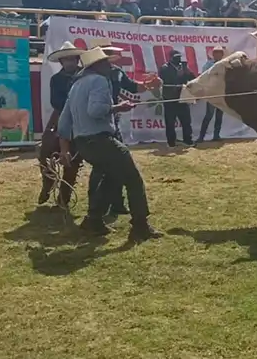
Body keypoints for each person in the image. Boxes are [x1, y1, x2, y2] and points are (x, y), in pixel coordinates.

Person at [57, 47, 162, 241]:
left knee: (111, 177)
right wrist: (118, 107)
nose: (110, 65)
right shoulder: (99, 80)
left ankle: (93, 221)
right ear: (97, 65)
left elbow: (64, 122)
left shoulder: (76, 86)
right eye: (106, 62)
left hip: (83, 143)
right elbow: (96, 111)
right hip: (100, 140)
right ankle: (140, 226)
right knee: (133, 179)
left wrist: (64, 149)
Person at [38, 41, 84, 206]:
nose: (70, 62)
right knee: (45, 152)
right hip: (61, 116)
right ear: (61, 62)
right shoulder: (56, 79)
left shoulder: (85, 76)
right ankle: (48, 183)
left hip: (80, 120)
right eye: (66, 59)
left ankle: (64, 197)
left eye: (72, 59)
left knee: (73, 160)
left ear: (77, 60)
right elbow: (56, 103)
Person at [159, 50, 197, 147]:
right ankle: (171, 142)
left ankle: (188, 140)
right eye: (176, 57)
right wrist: (177, 77)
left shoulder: (183, 67)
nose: (178, 59)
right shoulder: (165, 68)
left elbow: (192, 78)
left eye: (179, 57)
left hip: (182, 97)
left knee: (186, 121)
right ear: (170, 58)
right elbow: (164, 80)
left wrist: (187, 71)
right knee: (170, 122)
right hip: (170, 98)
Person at [198, 46, 227, 142]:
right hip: (211, 93)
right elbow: (203, 77)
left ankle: (216, 135)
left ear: (222, 55)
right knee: (209, 115)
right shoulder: (208, 65)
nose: (218, 55)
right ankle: (201, 137)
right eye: (216, 53)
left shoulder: (225, 64)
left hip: (221, 93)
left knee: (219, 115)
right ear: (213, 55)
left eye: (219, 53)